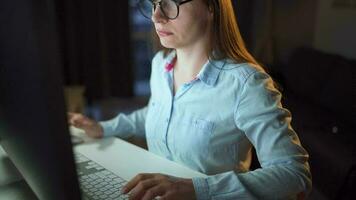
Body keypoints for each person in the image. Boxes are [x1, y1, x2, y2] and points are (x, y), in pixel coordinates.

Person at [68, 0, 312, 199]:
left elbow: (293, 173)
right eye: (154, 3)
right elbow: (156, 113)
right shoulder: (160, 64)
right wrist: (103, 128)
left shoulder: (246, 83)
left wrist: (195, 189)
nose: (157, 16)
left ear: (211, 7)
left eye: (171, 3)